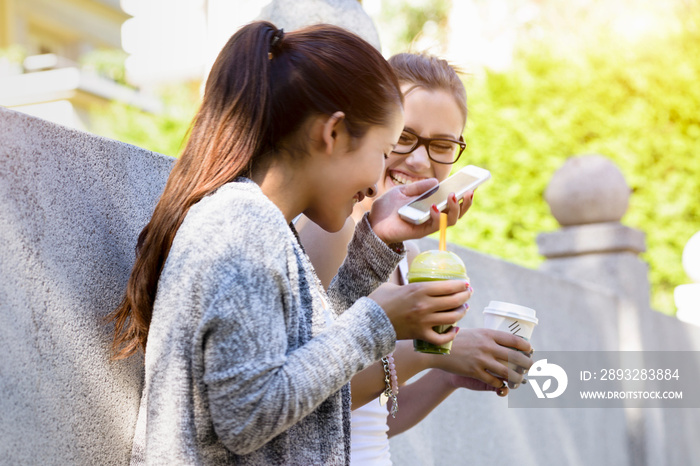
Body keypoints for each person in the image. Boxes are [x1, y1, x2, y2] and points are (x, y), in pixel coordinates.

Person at [108, 22, 474, 465]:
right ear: (333, 133)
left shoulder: (263, 226)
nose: (381, 173)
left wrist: (377, 241)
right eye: (384, 150)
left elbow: (305, 358)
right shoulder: (240, 229)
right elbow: (248, 417)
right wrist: (379, 321)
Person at [296, 52, 533, 465]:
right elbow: (304, 399)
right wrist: (437, 352)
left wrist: (448, 375)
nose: (421, 161)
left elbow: (370, 416)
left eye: (442, 145)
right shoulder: (329, 230)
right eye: (405, 137)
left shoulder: (411, 252)